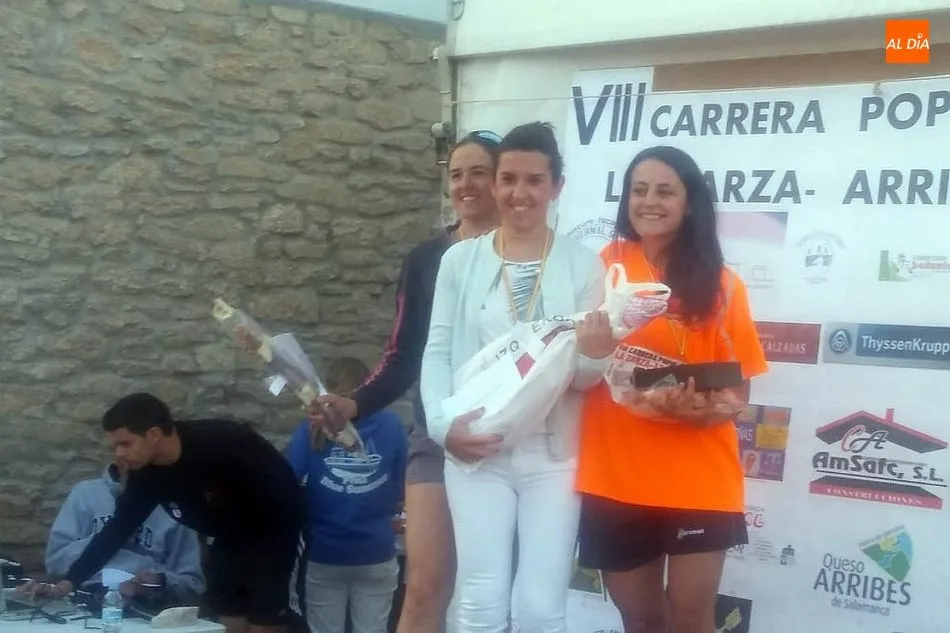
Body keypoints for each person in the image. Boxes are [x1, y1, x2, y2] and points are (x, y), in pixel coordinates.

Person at [419, 121, 615, 633]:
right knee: (480, 600)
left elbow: (584, 380)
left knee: (540, 606)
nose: (519, 193)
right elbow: (436, 350)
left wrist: (596, 357)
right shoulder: (460, 260)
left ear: (556, 186)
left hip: (553, 456)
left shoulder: (582, 265)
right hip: (476, 447)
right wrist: (443, 426)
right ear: (494, 183)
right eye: (508, 179)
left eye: (533, 180)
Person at [307, 130, 501, 633]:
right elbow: (402, 356)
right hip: (436, 438)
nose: (466, 184)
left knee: (502, 594)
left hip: (512, 440)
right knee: (425, 589)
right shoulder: (425, 259)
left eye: (479, 172)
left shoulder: (537, 254)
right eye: (456, 174)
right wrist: (353, 404)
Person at [575, 146, 768, 633]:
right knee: (640, 619)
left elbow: (736, 388)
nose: (649, 201)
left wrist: (700, 409)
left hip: (698, 478)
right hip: (614, 474)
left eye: (665, 191)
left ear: (689, 203)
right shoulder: (602, 268)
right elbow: (572, 359)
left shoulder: (722, 284)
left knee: (689, 617)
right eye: (639, 190)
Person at [21, 393, 307, 633]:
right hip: (226, 539)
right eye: (115, 446)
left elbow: (283, 488)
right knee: (229, 618)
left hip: (275, 533)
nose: (119, 453)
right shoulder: (146, 474)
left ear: (154, 435)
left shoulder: (224, 443)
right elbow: (116, 530)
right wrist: (69, 583)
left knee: (264, 620)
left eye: (125, 443)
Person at [287, 357, 408, 633]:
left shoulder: (310, 429)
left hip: (325, 551)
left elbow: (287, 483)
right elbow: (404, 485)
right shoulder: (392, 425)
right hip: (377, 550)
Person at [45, 460, 205, 605]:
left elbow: (193, 585)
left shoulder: (173, 507)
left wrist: (160, 580)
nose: (123, 453)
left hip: (147, 606)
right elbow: (54, 563)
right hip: (86, 598)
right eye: (120, 445)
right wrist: (105, 539)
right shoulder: (85, 494)